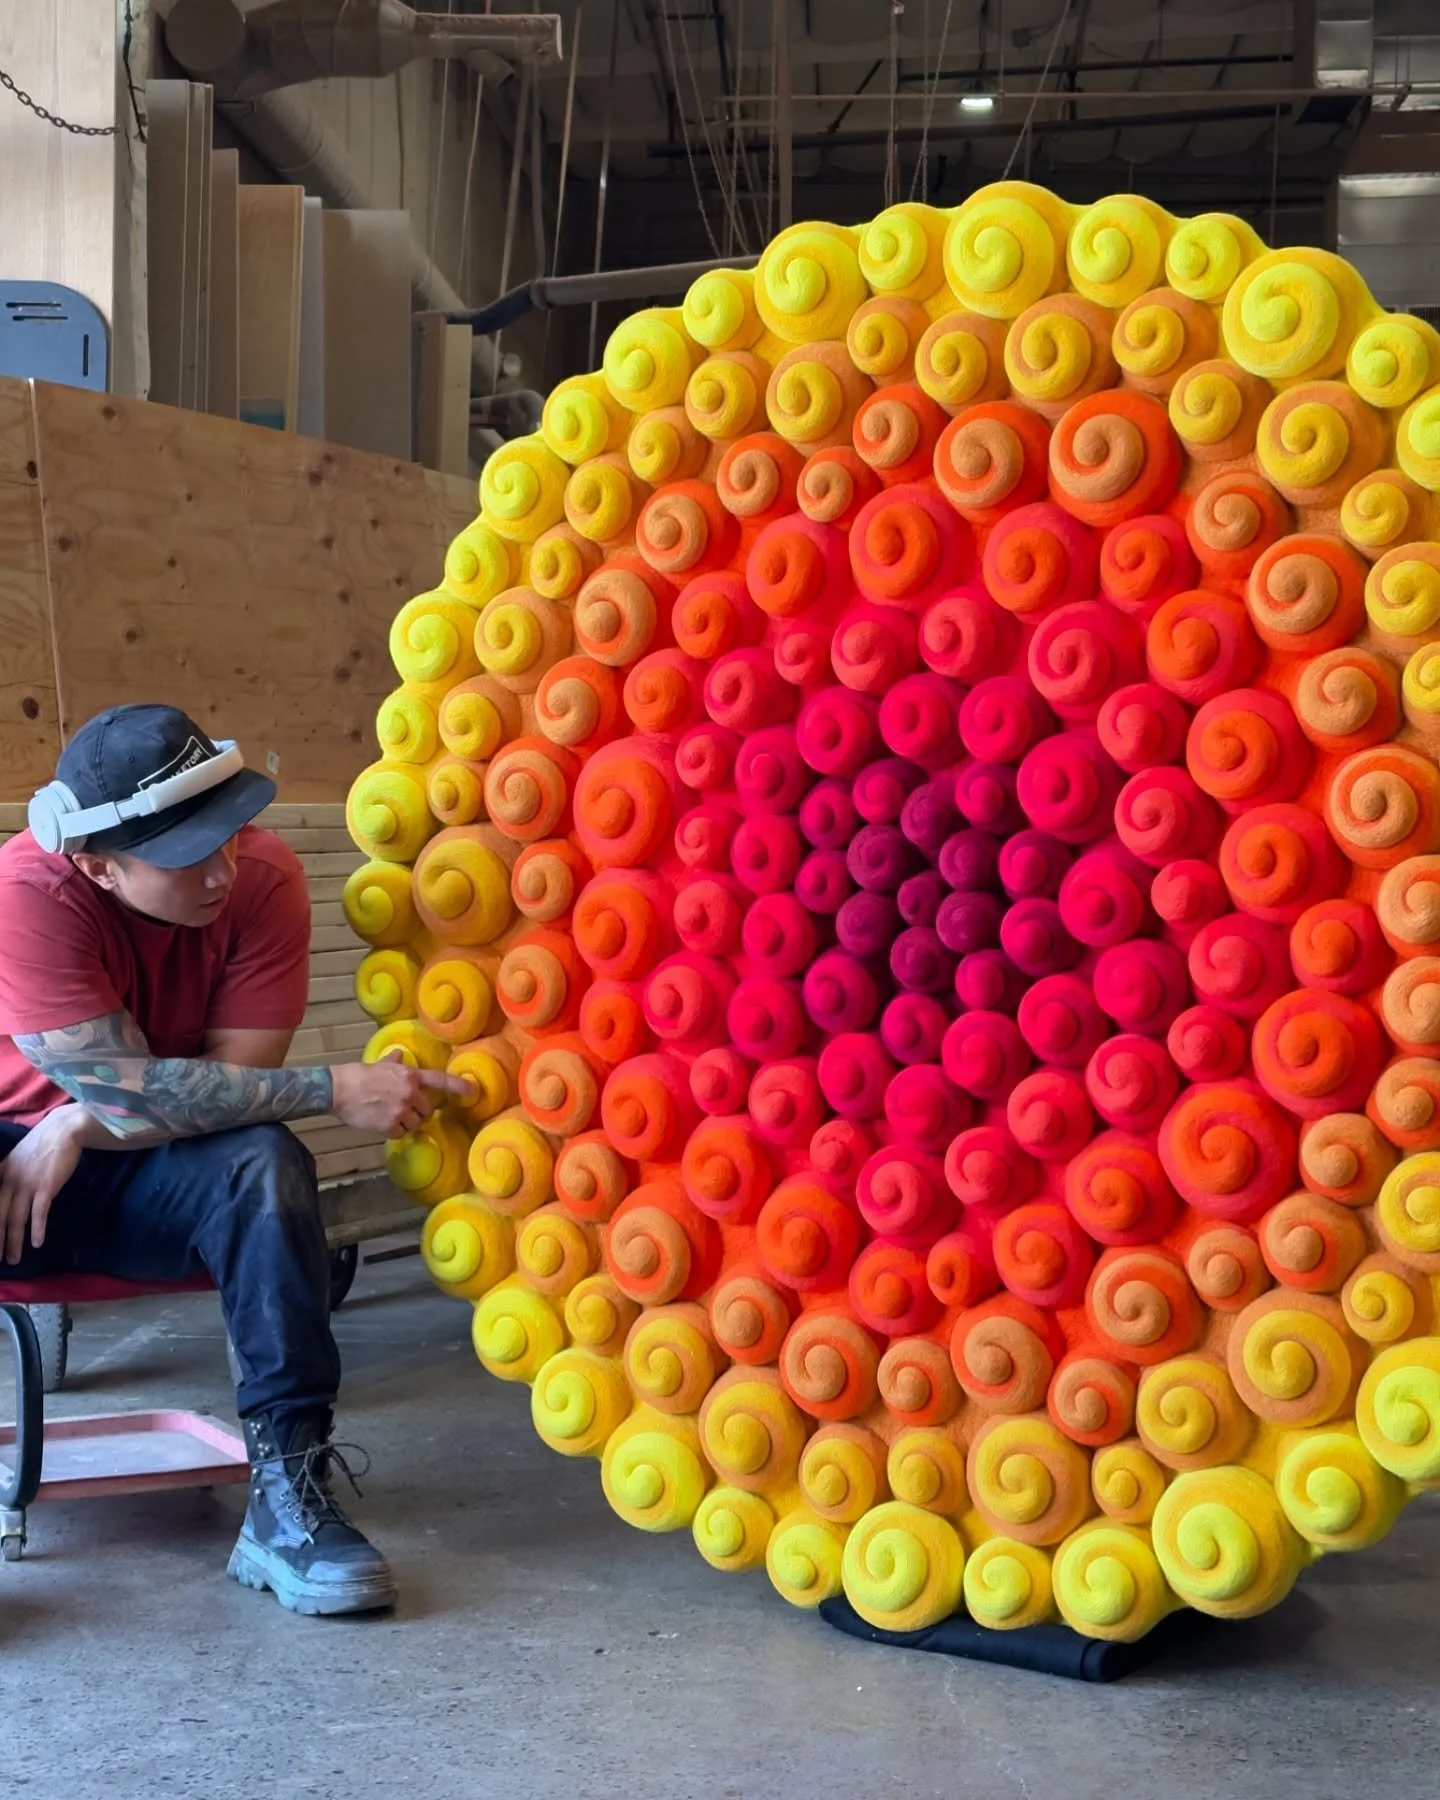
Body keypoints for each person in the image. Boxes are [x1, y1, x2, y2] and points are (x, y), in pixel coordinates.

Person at [0, 704, 463, 1617]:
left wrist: (79, 1122)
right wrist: (332, 1087)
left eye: (232, 832)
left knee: (259, 1157)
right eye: (187, 856)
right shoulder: (29, 890)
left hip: (140, 1176)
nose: (224, 867)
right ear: (97, 866)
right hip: (13, 1173)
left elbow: (231, 1087)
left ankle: (287, 1502)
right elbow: (132, 1091)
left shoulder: (263, 876)